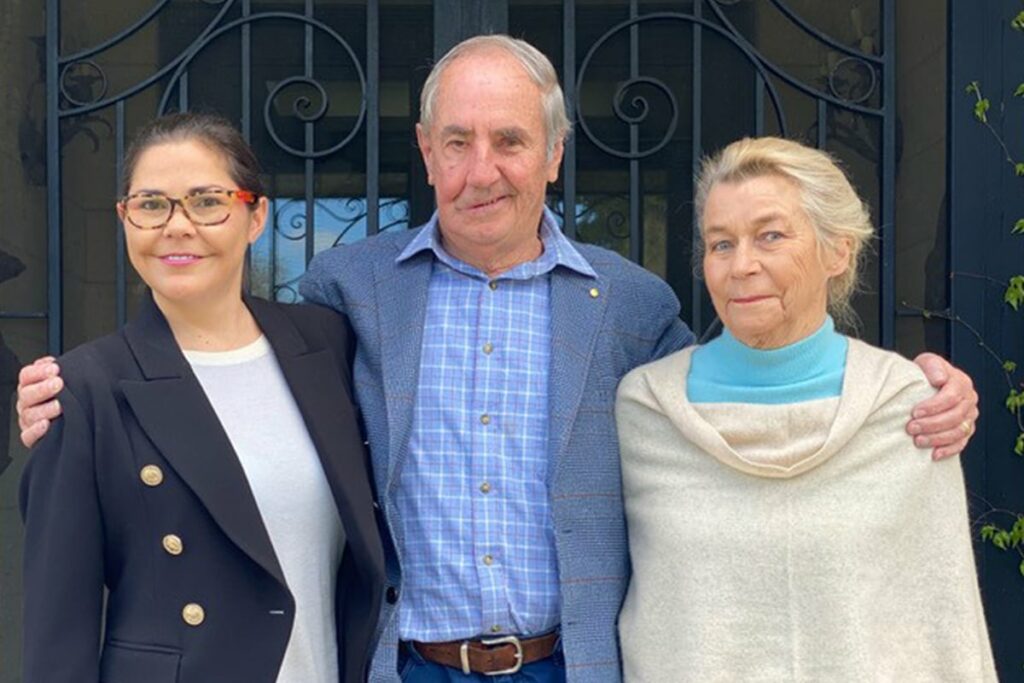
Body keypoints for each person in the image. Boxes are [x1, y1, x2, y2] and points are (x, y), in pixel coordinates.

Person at [16, 37, 979, 682]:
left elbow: (738, 400)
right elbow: (234, 368)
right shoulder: (343, 294)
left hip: (575, 662)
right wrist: (78, 401)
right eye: (460, 142)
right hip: (403, 663)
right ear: (427, 154)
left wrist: (906, 386)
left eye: (512, 140)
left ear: (555, 153)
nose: (485, 170)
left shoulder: (631, 303)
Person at [18, 112, 384, 683]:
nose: (176, 225)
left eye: (207, 201)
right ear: (124, 218)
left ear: (255, 215)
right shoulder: (86, 388)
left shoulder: (327, 346)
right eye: (150, 204)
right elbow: (57, 630)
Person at [615, 137, 996, 681]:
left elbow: (942, 625)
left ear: (837, 251)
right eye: (721, 244)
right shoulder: (646, 410)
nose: (741, 265)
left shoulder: (908, 409)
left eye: (770, 236)